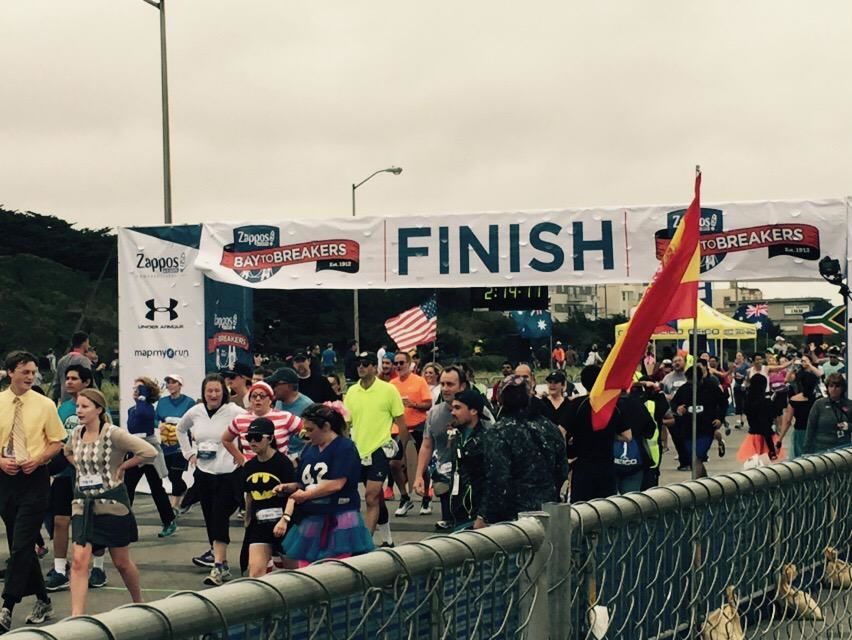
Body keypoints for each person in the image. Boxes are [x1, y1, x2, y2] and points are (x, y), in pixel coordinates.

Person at [64, 389, 156, 616]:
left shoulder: (112, 433)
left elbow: (149, 451)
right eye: (78, 406)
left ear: (99, 409)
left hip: (111, 505)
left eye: (85, 406)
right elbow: (66, 451)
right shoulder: (75, 433)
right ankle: (77, 616)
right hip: (82, 504)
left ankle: (139, 601)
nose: (79, 411)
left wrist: (123, 466)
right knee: (78, 560)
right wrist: (80, 467)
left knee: (121, 562)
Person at [0, 351, 66, 631]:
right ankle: (43, 599)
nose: (31, 377)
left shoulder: (45, 404)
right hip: (5, 479)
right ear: (10, 372)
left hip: (35, 479)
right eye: (25, 371)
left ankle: (6, 606)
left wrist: (39, 459)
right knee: (22, 545)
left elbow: (57, 441)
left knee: (20, 545)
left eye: (34, 371)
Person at [280, 403, 374, 565]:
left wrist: (306, 495)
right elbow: (305, 482)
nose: (307, 435)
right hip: (312, 517)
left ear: (326, 427)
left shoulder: (345, 447)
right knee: (307, 567)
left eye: (311, 430)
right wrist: (291, 487)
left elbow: (337, 483)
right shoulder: (309, 449)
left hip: (339, 516)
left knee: (335, 567)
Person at [176, 374, 244, 584]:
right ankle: (220, 562)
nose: (213, 395)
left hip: (228, 474)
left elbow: (252, 426)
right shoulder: (195, 412)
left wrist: (242, 457)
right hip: (204, 473)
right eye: (209, 391)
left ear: (224, 392)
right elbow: (180, 429)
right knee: (210, 517)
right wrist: (189, 453)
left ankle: (218, 565)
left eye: (217, 390)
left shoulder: (234, 411)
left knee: (219, 515)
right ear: (204, 393)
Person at [476, 376, 568, 527]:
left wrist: (485, 516)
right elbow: (562, 471)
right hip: (548, 511)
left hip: (514, 518)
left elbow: (498, 479)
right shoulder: (549, 427)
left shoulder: (499, 431)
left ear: (501, 399)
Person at [344, 352, 407, 545]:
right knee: (376, 498)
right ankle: (387, 539)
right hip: (358, 450)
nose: (361, 367)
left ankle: (366, 542)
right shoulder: (352, 392)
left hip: (380, 448)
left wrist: (400, 454)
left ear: (374, 367)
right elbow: (347, 424)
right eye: (358, 364)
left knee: (371, 495)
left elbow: (401, 424)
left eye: (365, 364)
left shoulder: (388, 390)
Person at [45, 364, 93, 592]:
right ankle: (59, 570)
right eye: (67, 378)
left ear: (86, 382)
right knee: (59, 521)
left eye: (74, 378)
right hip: (65, 473)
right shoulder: (62, 408)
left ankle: (98, 567)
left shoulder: (96, 406)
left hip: (89, 474)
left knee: (89, 523)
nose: (69, 382)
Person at [564, 366, 633, 502]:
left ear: (583, 382)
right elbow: (627, 436)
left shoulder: (577, 404)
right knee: (605, 511)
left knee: (581, 510)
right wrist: (608, 433)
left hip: (582, 467)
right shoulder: (612, 406)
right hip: (606, 468)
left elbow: (560, 431)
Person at [413, 365, 470, 528]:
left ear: (463, 386)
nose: (445, 389)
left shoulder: (477, 411)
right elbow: (426, 445)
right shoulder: (434, 413)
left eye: (450, 384)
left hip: (471, 481)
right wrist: (418, 476)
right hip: (443, 480)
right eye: (443, 384)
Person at [123, 377, 178, 538]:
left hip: (149, 449)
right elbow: (133, 428)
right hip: (135, 449)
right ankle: (126, 524)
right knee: (128, 487)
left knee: (156, 488)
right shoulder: (131, 410)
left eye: (139, 389)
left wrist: (143, 396)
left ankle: (169, 521)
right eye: (134, 388)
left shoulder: (147, 407)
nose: (135, 391)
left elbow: (143, 413)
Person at [241, 417, 296, 577]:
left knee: (294, 573)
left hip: (283, 523)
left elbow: (293, 495)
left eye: (257, 438)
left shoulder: (283, 463)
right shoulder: (249, 466)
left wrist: (285, 519)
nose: (252, 441)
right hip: (259, 525)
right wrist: (248, 519)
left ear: (270, 438)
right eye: (249, 438)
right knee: (255, 571)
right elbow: (250, 495)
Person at [389, 352, 433, 517]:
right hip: (399, 428)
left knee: (422, 465)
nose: (398, 366)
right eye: (396, 363)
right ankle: (405, 496)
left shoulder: (419, 381)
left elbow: (428, 404)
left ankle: (426, 497)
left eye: (401, 363)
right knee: (394, 464)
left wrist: (413, 404)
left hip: (418, 426)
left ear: (409, 364)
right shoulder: (392, 384)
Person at [671, 365, 728, 478]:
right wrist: (677, 409)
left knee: (697, 457)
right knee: (695, 460)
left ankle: (695, 486)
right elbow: (673, 403)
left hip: (706, 429)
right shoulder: (684, 389)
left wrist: (719, 418)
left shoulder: (711, 387)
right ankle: (705, 482)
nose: (691, 383)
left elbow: (723, 403)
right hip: (688, 430)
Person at [448, 390, 491, 528]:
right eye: (452, 408)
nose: (452, 412)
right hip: (458, 513)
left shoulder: (485, 440)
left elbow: (491, 481)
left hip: (475, 517)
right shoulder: (458, 435)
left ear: (473, 411)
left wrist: (482, 515)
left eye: (458, 408)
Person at [155, 374, 195, 513]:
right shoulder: (162, 402)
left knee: (175, 474)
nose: (170, 385)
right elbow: (156, 419)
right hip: (166, 442)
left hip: (181, 443)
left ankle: (175, 505)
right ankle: (184, 490)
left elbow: (193, 419)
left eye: (173, 382)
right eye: (168, 382)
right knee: (170, 475)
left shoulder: (189, 402)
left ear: (180, 385)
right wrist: (160, 425)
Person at [737, 374, 784, 463]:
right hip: (766, 438)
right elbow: (765, 424)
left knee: (754, 465)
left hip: (753, 436)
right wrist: (771, 448)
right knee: (767, 467)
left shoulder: (747, 400)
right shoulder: (765, 402)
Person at [779, 359, 820, 458]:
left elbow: (788, 421)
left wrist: (780, 439)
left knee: (800, 460)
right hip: (815, 433)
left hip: (800, 432)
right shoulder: (818, 399)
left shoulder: (794, 400)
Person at [804, 373, 851, 454]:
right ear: (827, 388)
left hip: (843, 448)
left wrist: (848, 426)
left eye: (837, 386)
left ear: (842, 388)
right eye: (831, 386)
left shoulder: (849, 404)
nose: (834, 389)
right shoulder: (819, 404)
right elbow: (810, 428)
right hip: (821, 449)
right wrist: (806, 451)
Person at [661, 355, 690, 471]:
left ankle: (691, 461)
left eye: (679, 361)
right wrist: (669, 397)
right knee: (677, 438)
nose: (677, 363)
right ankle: (684, 462)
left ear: (684, 362)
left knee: (687, 437)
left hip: (688, 412)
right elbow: (662, 393)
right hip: (673, 412)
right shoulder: (667, 378)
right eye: (674, 361)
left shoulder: (689, 376)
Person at [52, 331, 91, 404]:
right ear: (84, 343)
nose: (89, 346)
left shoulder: (62, 360)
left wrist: (54, 401)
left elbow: (57, 384)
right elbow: (90, 383)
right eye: (88, 343)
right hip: (80, 402)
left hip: (65, 401)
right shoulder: (83, 361)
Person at [540, 370, 572, 436]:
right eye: (550, 382)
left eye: (556, 382)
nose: (552, 385)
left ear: (563, 385)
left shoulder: (569, 404)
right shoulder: (541, 403)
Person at [731, 352, 749, 429]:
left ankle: (748, 421)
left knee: (746, 403)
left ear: (742, 357)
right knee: (738, 403)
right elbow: (732, 374)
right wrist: (734, 375)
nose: (738, 357)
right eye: (737, 356)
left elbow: (748, 375)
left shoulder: (746, 365)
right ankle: (739, 420)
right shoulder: (734, 366)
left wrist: (742, 376)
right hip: (737, 385)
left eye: (739, 356)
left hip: (745, 386)